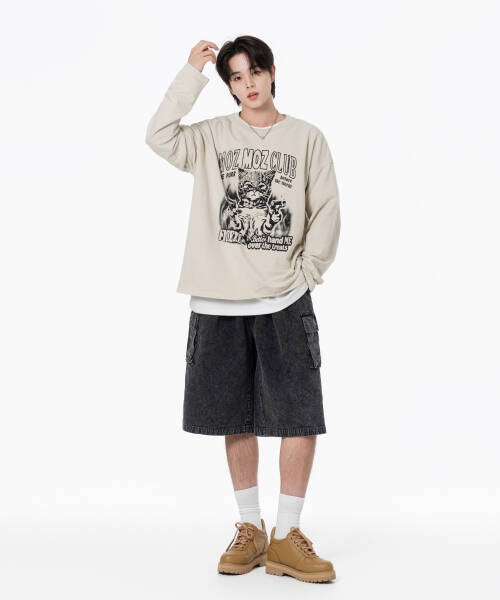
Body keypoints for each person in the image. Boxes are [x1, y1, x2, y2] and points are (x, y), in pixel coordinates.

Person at [145, 35, 341, 583]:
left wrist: (308, 271)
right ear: (229, 85)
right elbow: (158, 135)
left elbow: (326, 207)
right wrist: (191, 74)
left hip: (285, 297)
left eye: (254, 71)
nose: (248, 84)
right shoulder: (209, 137)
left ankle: (287, 534)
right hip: (218, 301)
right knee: (233, 416)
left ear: (272, 72)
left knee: (299, 413)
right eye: (236, 76)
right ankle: (250, 528)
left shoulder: (307, 138)